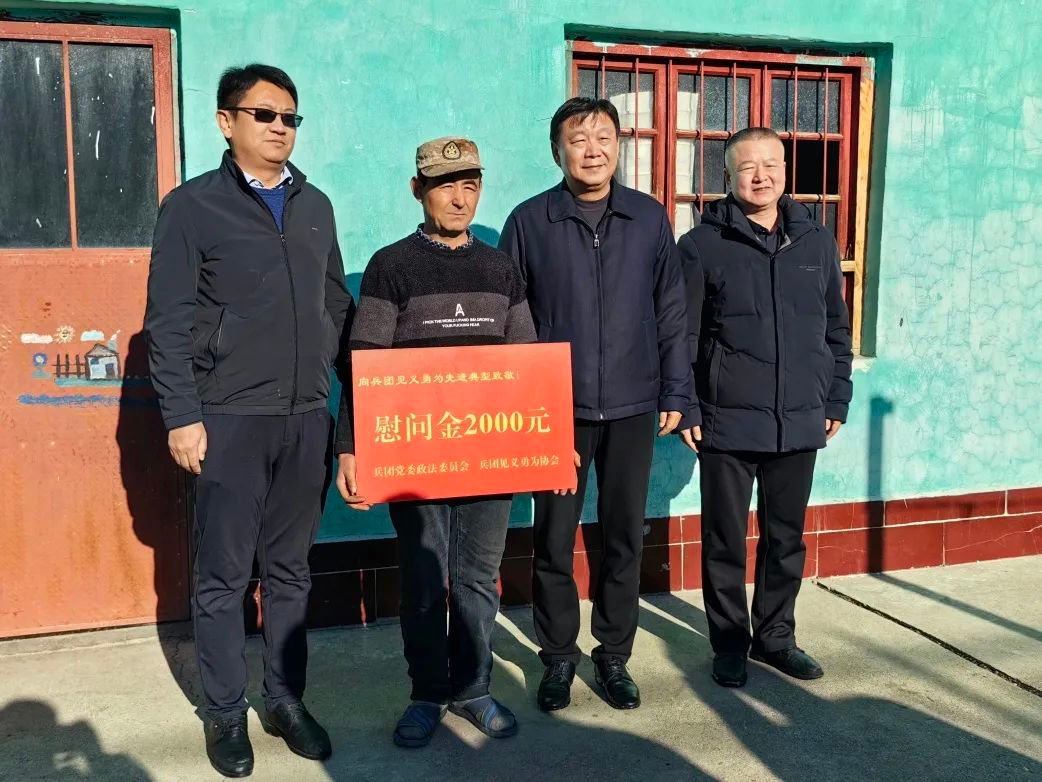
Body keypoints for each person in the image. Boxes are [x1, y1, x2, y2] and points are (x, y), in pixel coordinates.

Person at [145, 64, 353, 777]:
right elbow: (168, 320)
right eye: (264, 114)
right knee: (224, 577)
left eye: (290, 117)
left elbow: (336, 306)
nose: (279, 128)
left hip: (304, 417)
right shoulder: (192, 207)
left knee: (291, 572)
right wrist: (182, 415)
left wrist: (345, 406)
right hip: (228, 418)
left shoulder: (316, 204)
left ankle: (286, 700)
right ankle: (225, 712)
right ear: (225, 121)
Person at [334, 137, 537, 748]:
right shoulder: (390, 266)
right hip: (414, 455)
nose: (459, 197)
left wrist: (550, 439)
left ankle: (473, 688)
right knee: (424, 582)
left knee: (476, 579)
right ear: (417, 190)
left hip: (489, 456)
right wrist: (351, 447)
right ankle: (426, 693)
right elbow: (364, 366)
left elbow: (527, 366)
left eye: (470, 185)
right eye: (445, 184)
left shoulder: (501, 269)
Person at [499, 98, 690, 712]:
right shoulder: (530, 221)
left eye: (604, 137)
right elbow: (512, 319)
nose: (592, 150)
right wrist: (526, 403)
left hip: (634, 404)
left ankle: (613, 655)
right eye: (578, 139)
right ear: (557, 151)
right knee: (554, 538)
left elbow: (671, 309)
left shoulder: (647, 217)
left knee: (624, 535)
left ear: (618, 146)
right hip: (558, 408)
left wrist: (676, 389)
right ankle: (557, 656)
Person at [677, 126, 853, 689]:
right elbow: (683, 337)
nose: (761, 176)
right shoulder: (701, 246)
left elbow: (835, 330)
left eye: (771, 164)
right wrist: (688, 407)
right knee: (724, 540)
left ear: (784, 169)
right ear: (727, 176)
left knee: (786, 538)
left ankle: (776, 638)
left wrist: (836, 396)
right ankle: (730, 644)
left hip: (800, 418)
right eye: (747, 167)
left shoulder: (816, 242)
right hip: (727, 419)